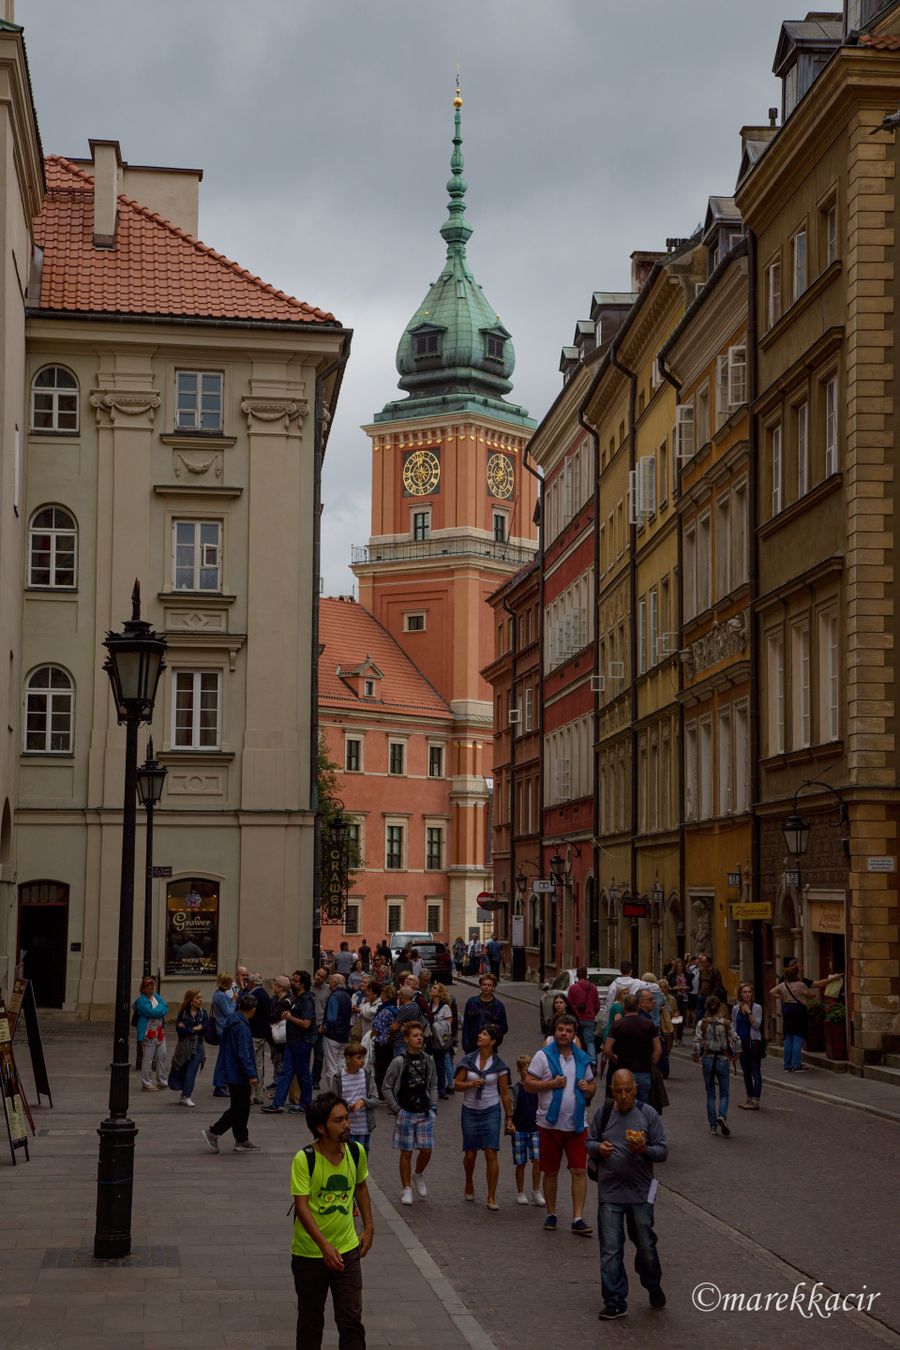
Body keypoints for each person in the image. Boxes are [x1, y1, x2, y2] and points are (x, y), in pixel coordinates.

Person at [291, 1092, 374, 1350]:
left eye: (346, 1119)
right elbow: (302, 1207)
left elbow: (361, 1186)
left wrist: (369, 1227)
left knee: (351, 1321)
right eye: (338, 1121)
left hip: (347, 1251)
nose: (347, 1125)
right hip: (309, 1255)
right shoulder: (305, 1159)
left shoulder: (356, 1152)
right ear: (320, 1127)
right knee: (311, 1321)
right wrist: (324, 1246)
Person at [587, 1068, 668, 1320]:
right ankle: (615, 1300)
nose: (623, 1096)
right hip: (610, 1192)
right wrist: (598, 1148)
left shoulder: (647, 1114)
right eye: (618, 1091)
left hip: (640, 1193)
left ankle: (652, 1282)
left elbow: (662, 1151)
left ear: (635, 1089)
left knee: (646, 1246)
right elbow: (588, 1142)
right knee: (611, 1249)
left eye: (627, 1091)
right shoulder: (603, 1114)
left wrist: (643, 1149)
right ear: (612, 1090)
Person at [523, 1013, 596, 1237]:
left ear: (575, 1035)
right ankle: (552, 1213)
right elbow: (528, 1084)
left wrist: (587, 1088)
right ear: (555, 1031)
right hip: (549, 1124)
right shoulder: (542, 1056)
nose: (563, 1034)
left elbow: (593, 1087)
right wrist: (551, 1083)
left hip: (576, 1125)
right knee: (551, 1171)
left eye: (568, 1031)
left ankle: (577, 1218)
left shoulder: (582, 1058)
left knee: (579, 1170)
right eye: (560, 1029)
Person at [454, 1024, 512, 1210]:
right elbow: (456, 1084)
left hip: (491, 1109)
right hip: (470, 1110)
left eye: (484, 1034)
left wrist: (509, 1117)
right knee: (470, 1154)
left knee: (491, 1152)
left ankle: (491, 1196)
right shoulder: (468, 1059)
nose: (480, 1035)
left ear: (493, 1041)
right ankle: (469, 1181)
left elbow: (504, 1093)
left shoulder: (499, 1065)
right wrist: (470, 1084)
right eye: (480, 1033)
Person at [382, 1021, 438, 1205]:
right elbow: (387, 1087)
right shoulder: (399, 1061)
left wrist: (433, 1106)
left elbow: (433, 1084)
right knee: (406, 1152)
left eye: (420, 1035)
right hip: (405, 1112)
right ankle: (406, 1188)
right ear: (406, 1039)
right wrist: (396, 1109)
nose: (419, 1038)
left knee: (426, 1149)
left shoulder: (428, 1060)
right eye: (415, 1035)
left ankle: (418, 1173)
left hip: (424, 1112)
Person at [202, 992, 261, 1153]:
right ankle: (214, 1131)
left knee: (241, 1107)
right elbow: (244, 1053)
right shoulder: (241, 1026)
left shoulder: (234, 1020)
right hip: (238, 1072)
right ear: (253, 1009)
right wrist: (251, 1074)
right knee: (239, 1108)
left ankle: (241, 1139)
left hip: (232, 1069)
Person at [264, 969, 316, 1115]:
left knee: (303, 1073)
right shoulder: (297, 998)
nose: (292, 983)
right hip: (292, 1041)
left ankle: (305, 1104)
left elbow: (306, 1023)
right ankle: (277, 1104)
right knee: (285, 1072)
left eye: (295, 981)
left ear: (303, 984)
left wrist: (289, 1017)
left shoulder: (307, 999)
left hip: (302, 1042)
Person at [693, 995, 740, 1136]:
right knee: (724, 1092)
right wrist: (737, 1054)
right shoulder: (726, 1023)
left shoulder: (702, 1023)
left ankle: (713, 1126)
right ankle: (722, 1116)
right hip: (722, 1058)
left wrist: (696, 1055)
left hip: (707, 1058)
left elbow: (696, 1040)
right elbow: (737, 1039)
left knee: (710, 1093)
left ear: (706, 1008)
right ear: (720, 1007)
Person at [603, 994, 662, 1106]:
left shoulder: (618, 1025)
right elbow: (658, 1049)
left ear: (624, 1007)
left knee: (622, 1105)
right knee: (643, 1106)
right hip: (643, 1070)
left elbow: (607, 1049)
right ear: (638, 1006)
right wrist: (652, 1062)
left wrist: (613, 1057)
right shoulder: (649, 1024)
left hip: (623, 1072)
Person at [331, 1042, 379, 1151]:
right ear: (348, 1058)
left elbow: (376, 1100)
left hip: (364, 1128)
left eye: (363, 1057)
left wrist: (363, 1102)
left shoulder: (367, 1075)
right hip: (345, 1129)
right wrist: (346, 1107)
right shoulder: (339, 1078)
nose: (362, 1061)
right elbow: (333, 1102)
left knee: (361, 1162)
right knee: (347, 1160)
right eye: (358, 1058)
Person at [510, 1054, 544, 1206]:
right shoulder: (516, 1089)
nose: (528, 1071)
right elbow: (511, 1107)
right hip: (520, 1129)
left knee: (537, 1160)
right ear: (519, 1070)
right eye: (525, 1069)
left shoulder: (537, 1088)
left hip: (535, 1128)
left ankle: (536, 1191)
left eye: (530, 1068)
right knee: (520, 1162)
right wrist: (510, 1123)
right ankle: (520, 1191)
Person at [770, 961, 814, 1072]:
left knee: (788, 1038)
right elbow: (810, 995)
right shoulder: (801, 985)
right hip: (798, 1011)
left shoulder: (783, 985)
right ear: (796, 975)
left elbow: (771, 992)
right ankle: (796, 1064)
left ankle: (787, 1065)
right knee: (797, 1038)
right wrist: (812, 996)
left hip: (787, 1010)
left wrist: (782, 997)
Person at [169, 989, 206, 1106]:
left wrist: (189, 1028)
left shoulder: (203, 1013)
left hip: (197, 1047)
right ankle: (183, 1094)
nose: (200, 1000)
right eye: (197, 998)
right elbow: (180, 1030)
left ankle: (187, 1096)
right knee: (181, 1069)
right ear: (191, 1000)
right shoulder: (183, 1013)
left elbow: (205, 1028)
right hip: (184, 1047)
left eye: (200, 998)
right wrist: (195, 1028)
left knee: (192, 1071)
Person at [732, 982, 764, 1110]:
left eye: (749, 992)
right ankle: (749, 1098)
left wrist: (749, 1012)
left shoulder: (757, 1008)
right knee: (746, 1073)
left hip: (753, 1043)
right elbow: (734, 1027)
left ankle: (756, 1100)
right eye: (744, 992)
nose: (747, 994)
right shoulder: (735, 1009)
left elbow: (756, 1025)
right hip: (742, 1044)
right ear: (740, 994)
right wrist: (733, 1045)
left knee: (755, 1072)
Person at [134, 976, 169, 1091]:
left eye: (152, 986)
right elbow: (151, 1012)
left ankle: (162, 1081)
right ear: (143, 989)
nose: (151, 989)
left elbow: (166, 1006)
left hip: (159, 1032)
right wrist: (160, 1011)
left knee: (162, 1056)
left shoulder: (156, 997)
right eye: (148, 987)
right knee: (148, 1059)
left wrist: (159, 1011)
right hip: (148, 1033)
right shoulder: (141, 1001)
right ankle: (146, 1083)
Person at [461, 973, 508, 1052]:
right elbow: (466, 1025)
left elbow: (504, 1028)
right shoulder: (471, 1002)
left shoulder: (499, 1006)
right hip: (472, 1046)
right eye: (484, 984)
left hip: (490, 1047)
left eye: (489, 985)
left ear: (493, 987)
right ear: (480, 986)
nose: (486, 987)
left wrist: (495, 1028)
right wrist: (465, 1044)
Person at [246, 974, 271, 1106]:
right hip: (262, 1034)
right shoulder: (266, 995)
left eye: (248, 982)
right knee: (259, 1065)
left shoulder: (253, 996)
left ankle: (250, 1095)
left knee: (250, 1064)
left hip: (253, 1034)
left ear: (253, 983)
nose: (246, 984)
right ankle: (259, 1095)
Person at [322, 974, 352, 1083]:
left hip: (333, 1036)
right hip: (344, 1035)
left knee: (331, 1068)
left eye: (329, 980)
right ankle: (342, 1093)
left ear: (335, 982)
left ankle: (334, 1093)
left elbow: (332, 1019)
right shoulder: (347, 996)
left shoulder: (334, 996)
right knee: (341, 1066)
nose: (328, 983)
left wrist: (324, 1028)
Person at [211, 971, 236, 1097]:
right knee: (223, 1058)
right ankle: (220, 1084)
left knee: (225, 1057)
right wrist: (234, 1001)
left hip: (222, 1028)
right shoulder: (220, 995)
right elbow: (229, 1013)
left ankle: (222, 1083)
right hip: (223, 1029)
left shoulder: (219, 994)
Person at [568, 967, 600, 1062]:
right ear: (586, 975)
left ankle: (577, 1060)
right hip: (589, 1018)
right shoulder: (593, 988)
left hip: (576, 1019)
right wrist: (592, 1013)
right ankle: (592, 1061)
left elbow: (569, 1004)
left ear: (577, 975)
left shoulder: (573, 988)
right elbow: (597, 1005)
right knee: (589, 1041)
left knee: (575, 1040)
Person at [371, 984, 398, 1095]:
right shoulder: (396, 1009)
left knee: (381, 1069)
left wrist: (371, 1037)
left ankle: (381, 1093)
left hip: (382, 1044)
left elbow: (377, 1028)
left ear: (386, 996)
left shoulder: (384, 1011)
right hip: (391, 1043)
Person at [429, 982, 454, 1097]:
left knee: (440, 1065)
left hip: (439, 1040)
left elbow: (447, 1027)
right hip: (429, 1038)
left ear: (440, 993)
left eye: (435, 988)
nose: (432, 989)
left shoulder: (445, 1007)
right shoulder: (429, 1005)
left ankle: (441, 1089)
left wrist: (444, 1042)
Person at [268, 976, 293, 1094]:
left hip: (282, 1035)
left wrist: (270, 1016)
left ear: (280, 987)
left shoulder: (286, 1001)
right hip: (276, 1036)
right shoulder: (276, 999)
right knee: (277, 1059)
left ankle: (280, 1083)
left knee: (281, 1060)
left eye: (275, 985)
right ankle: (277, 1080)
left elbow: (274, 1016)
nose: (273, 987)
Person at [389, 986, 426, 1058]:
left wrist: (389, 1029)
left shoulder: (404, 1008)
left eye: (400, 994)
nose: (398, 996)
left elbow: (395, 1027)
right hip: (410, 1040)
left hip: (401, 1041)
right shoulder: (415, 1005)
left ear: (404, 996)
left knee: (401, 1064)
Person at [311, 967, 331, 1089]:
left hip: (319, 1026)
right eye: (318, 974)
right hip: (307, 1025)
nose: (318, 977)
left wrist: (324, 1025)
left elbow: (329, 1009)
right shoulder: (308, 987)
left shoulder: (328, 990)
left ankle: (315, 1079)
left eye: (322, 976)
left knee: (319, 1055)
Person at [695, 952, 723, 1023]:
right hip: (701, 996)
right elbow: (700, 983)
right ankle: (700, 1026)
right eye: (701, 962)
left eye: (703, 962)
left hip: (710, 997)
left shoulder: (715, 971)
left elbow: (717, 985)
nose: (702, 964)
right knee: (699, 1013)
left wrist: (712, 996)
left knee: (710, 1013)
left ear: (708, 962)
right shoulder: (702, 971)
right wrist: (699, 992)